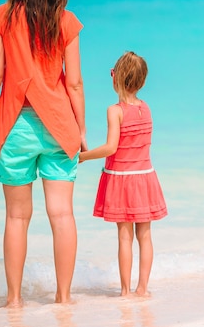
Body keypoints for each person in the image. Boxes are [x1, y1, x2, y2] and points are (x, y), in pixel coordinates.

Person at [0, 0, 87, 307]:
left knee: (16, 217)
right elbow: (75, 84)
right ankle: (64, 298)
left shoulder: (4, 17)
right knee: (63, 214)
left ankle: (14, 300)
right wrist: (81, 131)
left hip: (15, 127)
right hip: (58, 126)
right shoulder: (67, 22)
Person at [80, 51, 167, 297]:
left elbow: (111, 148)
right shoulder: (146, 108)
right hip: (146, 177)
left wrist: (82, 156)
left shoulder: (114, 110)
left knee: (124, 237)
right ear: (141, 82)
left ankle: (126, 291)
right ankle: (143, 289)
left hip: (122, 180)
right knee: (146, 235)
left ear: (115, 78)